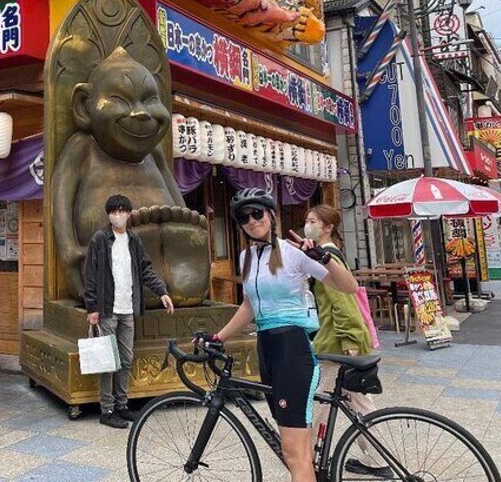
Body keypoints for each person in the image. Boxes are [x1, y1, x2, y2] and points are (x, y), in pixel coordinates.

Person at [206, 188, 359, 482]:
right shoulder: (245, 257)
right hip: (267, 348)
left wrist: (323, 258)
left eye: (257, 213)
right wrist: (219, 337)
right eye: (244, 217)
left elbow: (349, 286)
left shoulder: (294, 253)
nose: (251, 221)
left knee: (294, 453)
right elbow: (249, 305)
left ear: (271, 215)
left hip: (292, 348)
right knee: (294, 447)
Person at [304, 205, 391, 478]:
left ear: (327, 227)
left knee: (317, 402)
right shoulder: (326, 254)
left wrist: (350, 340)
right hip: (339, 340)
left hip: (336, 343)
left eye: (312, 221)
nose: (307, 225)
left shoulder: (327, 256)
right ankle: (378, 460)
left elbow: (343, 303)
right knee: (359, 402)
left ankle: (302, 459)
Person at [83, 194, 175, 429]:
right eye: (114, 211)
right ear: (108, 214)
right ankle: (107, 409)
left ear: (129, 214)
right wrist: (92, 307)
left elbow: (145, 269)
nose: (118, 215)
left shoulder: (133, 240)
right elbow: (91, 275)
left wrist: (162, 291)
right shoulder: (100, 239)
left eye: (123, 211)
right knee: (108, 361)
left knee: (126, 358)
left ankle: (122, 404)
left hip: (127, 309)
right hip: (106, 310)